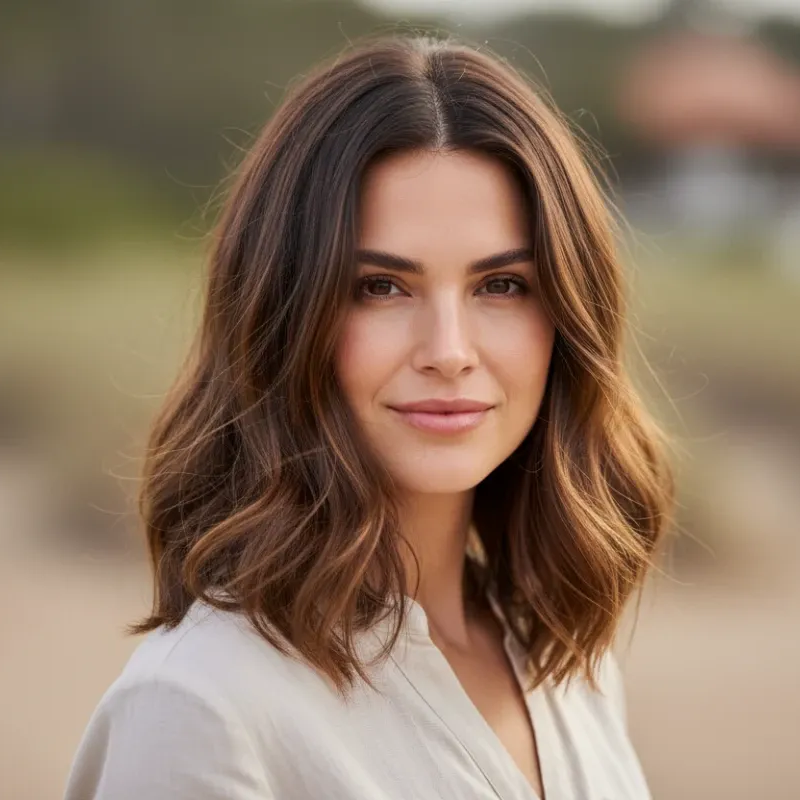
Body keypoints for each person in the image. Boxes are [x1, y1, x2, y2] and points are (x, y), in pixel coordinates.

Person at [63, 32, 674, 800]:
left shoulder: (566, 663)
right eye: (381, 287)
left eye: (503, 286)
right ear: (283, 315)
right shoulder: (203, 707)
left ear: (566, 317)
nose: (449, 352)